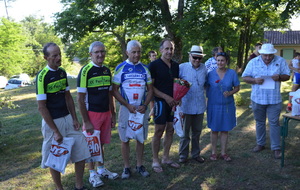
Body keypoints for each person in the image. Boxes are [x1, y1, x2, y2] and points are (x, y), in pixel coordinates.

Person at [36, 42, 90, 190]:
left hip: (67, 119)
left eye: (59, 54)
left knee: (81, 151)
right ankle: (60, 188)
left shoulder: (62, 72)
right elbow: (41, 107)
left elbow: (68, 97)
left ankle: (79, 186)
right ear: (46, 57)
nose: (59, 57)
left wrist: (74, 118)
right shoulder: (42, 76)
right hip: (52, 122)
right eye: (54, 55)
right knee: (54, 158)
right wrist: (55, 131)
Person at [77, 41, 118, 187]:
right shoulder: (85, 71)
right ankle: (92, 174)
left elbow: (110, 94)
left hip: (105, 112)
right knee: (91, 145)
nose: (100, 54)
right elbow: (80, 99)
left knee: (101, 144)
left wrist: (112, 113)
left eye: (102, 51)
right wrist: (86, 121)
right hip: (92, 114)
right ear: (90, 54)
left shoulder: (107, 70)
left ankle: (101, 169)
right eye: (97, 52)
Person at [112, 40, 153, 179]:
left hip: (141, 109)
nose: (136, 54)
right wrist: (127, 105)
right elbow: (115, 90)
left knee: (140, 139)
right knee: (125, 139)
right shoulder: (120, 67)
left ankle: (140, 165)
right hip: (126, 109)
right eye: (133, 52)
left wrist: (145, 105)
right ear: (127, 52)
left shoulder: (145, 68)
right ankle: (126, 167)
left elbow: (151, 90)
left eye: (138, 52)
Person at [242, 43, 290, 159]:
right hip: (258, 98)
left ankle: (276, 148)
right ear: (261, 53)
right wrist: (254, 80)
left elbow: (287, 76)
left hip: (274, 99)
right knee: (259, 122)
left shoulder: (280, 60)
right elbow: (244, 77)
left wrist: (279, 77)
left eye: (270, 55)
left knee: (274, 123)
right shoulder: (253, 62)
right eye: (265, 55)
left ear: (273, 53)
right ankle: (260, 144)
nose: (268, 58)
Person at [148, 39, 180, 173]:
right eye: (166, 49)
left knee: (171, 130)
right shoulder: (153, 65)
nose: (169, 51)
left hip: (172, 103)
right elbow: (150, 88)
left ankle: (166, 157)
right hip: (160, 103)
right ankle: (155, 160)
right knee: (159, 131)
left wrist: (177, 98)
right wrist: (166, 97)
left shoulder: (175, 66)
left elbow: (177, 85)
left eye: (171, 49)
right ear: (161, 50)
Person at [206, 52, 240, 162]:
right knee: (214, 129)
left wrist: (230, 93)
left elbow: (237, 87)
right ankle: (214, 152)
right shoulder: (210, 74)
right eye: (218, 60)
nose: (220, 62)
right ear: (216, 61)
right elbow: (206, 87)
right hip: (213, 105)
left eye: (222, 60)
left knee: (225, 129)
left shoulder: (232, 73)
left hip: (227, 105)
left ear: (226, 62)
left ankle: (224, 153)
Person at [178, 45, 207, 164]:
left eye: (199, 58)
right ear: (189, 56)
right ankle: (183, 155)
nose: (197, 60)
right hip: (185, 105)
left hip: (199, 105)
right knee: (185, 133)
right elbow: (176, 84)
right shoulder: (182, 68)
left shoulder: (205, 68)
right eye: (194, 57)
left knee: (197, 132)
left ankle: (196, 154)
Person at [247, 43, 262, 108]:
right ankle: (252, 103)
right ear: (256, 47)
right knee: (254, 89)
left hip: (260, 74)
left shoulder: (262, 55)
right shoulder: (252, 56)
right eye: (259, 47)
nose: (260, 49)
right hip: (254, 75)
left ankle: (259, 102)